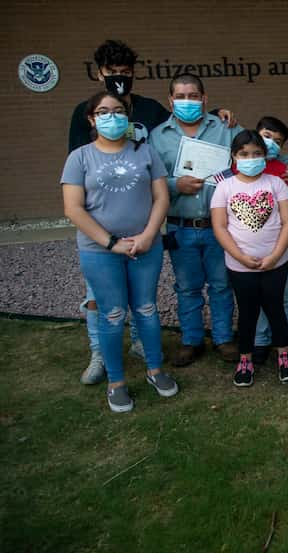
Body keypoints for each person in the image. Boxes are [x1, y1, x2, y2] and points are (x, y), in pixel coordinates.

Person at [69, 40, 236, 384]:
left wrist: (218, 111)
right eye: (112, 73)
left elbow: (205, 135)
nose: (119, 78)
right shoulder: (86, 121)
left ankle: (153, 350)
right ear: (100, 74)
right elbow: (79, 183)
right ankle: (100, 354)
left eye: (125, 73)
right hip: (105, 229)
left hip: (164, 226)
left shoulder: (152, 111)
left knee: (154, 298)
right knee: (101, 299)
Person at [62, 91, 177, 413]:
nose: (112, 117)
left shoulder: (147, 153)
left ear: (127, 117)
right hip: (100, 251)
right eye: (103, 111)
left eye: (118, 111)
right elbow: (73, 209)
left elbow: (161, 198)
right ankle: (116, 382)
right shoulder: (80, 157)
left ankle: (155, 370)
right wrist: (112, 242)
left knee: (146, 309)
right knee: (112, 315)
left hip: (145, 246)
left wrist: (149, 235)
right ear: (91, 118)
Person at [149, 73, 242, 366]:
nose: (187, 101)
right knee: (187, 287)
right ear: (170, 101)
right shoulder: (158, 136)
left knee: (221, 285)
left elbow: (256, 151)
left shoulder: (225, 128)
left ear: (204, 99)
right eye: (180, 96)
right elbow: (152, 178)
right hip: (181, 226)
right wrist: (177, 185)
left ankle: (223, 338)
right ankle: (191, 340)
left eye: (193, 96)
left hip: (219, 226)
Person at [210, 130, 288, 385]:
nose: (251, 158)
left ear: (265, 155)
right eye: (244, 154)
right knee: (248, 312)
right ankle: (245, 358)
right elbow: (220, 227)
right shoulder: (224, 187)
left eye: (257, 154)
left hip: (275, 263)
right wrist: (240, 257)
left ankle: (284, 355)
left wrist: (276, 254)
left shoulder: (276, 183)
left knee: (275, 308)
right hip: (240, 266)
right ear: (234, 157)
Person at [251, 116, 288, 365]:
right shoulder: (238, 168)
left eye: (278, 141)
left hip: (280, 246)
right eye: (266, 136)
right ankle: (260, 341)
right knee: (256, 296)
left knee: (285, 296)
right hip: (249, 247)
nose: (270, 143)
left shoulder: (282, 170)